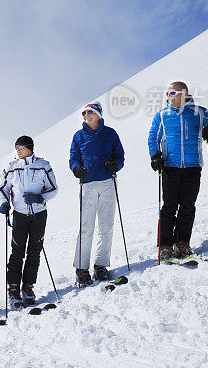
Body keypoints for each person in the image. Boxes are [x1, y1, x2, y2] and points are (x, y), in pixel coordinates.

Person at [149, 82, 208, 258]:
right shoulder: (162, 115)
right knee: (169, 207)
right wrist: (155, 156)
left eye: (173, 92)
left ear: (184, 94)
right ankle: (165, 245)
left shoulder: (200, 113)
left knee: (188, 206)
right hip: (170, 167)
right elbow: (153, 137)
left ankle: (182, 243)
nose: (169, 95)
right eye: (167, 92)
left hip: (192, 167)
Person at [69, 101, 124, 286]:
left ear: (99, 114)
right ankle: (81, 269)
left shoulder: (110, 133)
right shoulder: (79, 136)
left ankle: (101, 265)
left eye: (90, 112)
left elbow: (119, 155)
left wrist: (116, 165)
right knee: (86, 227)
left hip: (107, 182)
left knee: (106, 225)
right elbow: (73, 158)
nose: (87, 116)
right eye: (84, 113)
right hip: (88, 184)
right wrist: (77, 169)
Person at [0, 135, 58, 305]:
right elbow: (4, 188)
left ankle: (28, 286)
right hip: (19, 214)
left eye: (20, 147)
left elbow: (53, 189)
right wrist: (4, 204)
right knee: (17, 251)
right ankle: (14, 288)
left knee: (34, 251)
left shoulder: (43, 165)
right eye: (16, 147)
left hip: (39, 214)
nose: (17, 150)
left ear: (29, 148)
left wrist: (39, 198)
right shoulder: (11, 167)